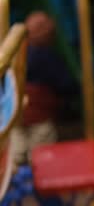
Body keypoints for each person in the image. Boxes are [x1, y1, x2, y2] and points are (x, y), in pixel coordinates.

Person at [10, 11, 74, 165]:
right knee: (40, 157)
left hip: (15, 116)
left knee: (16, 154)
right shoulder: (49, 59)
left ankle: (17, 176)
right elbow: (65, 85)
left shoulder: (16, 56)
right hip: (40, 117)